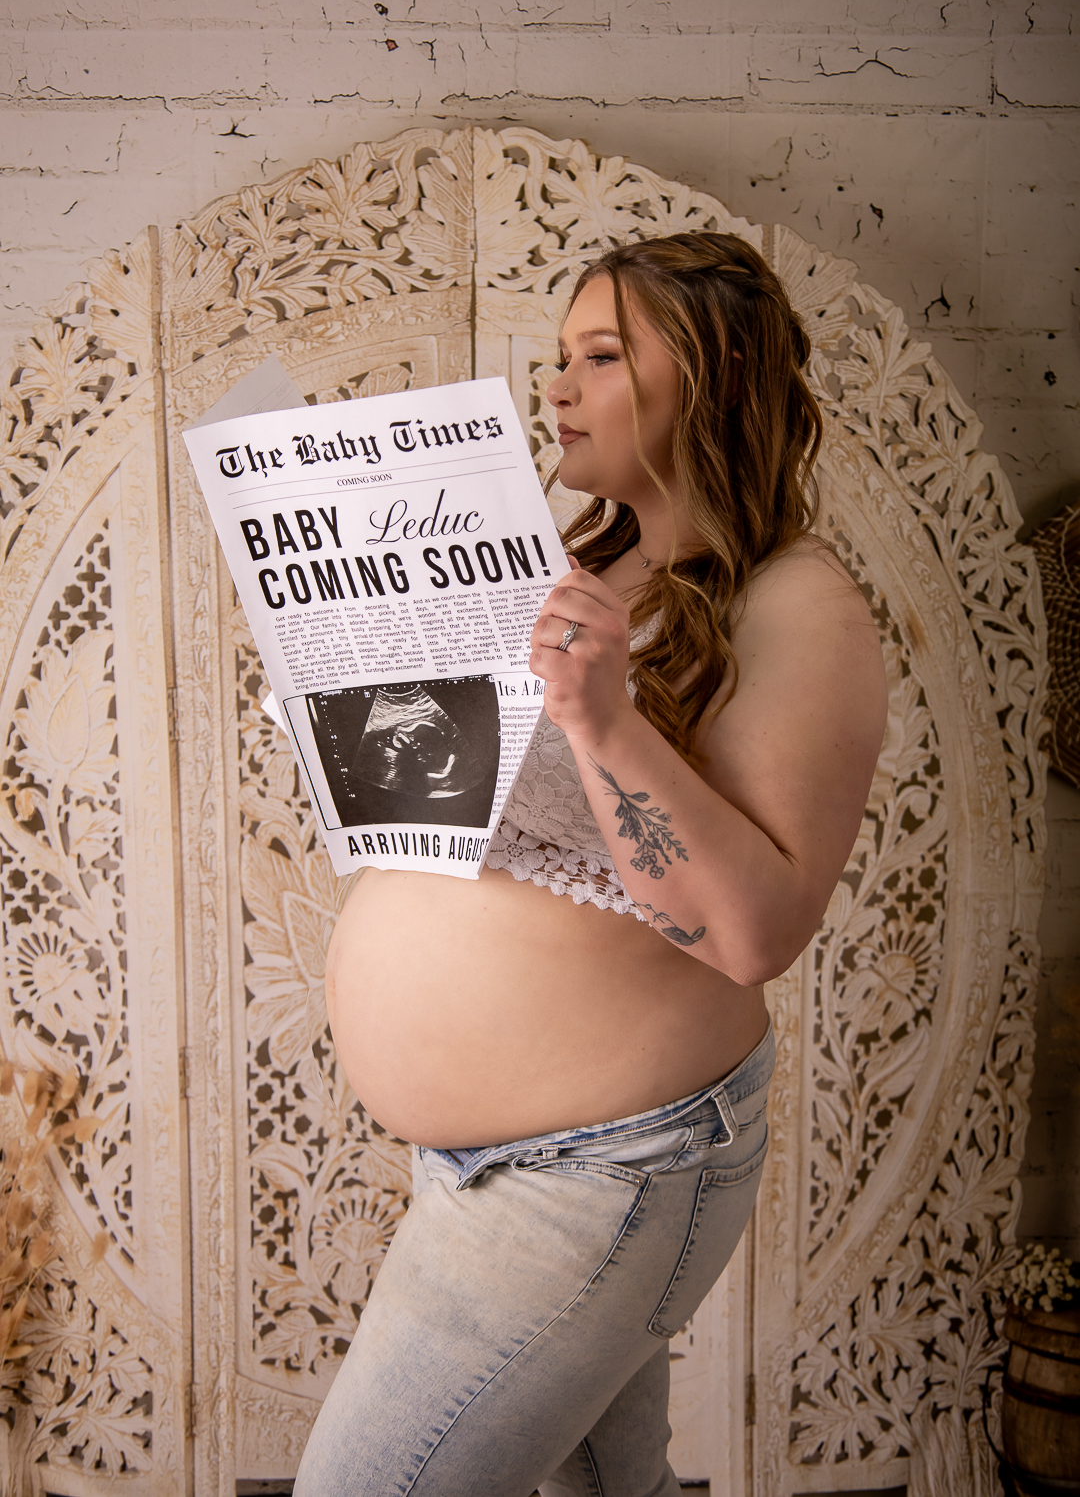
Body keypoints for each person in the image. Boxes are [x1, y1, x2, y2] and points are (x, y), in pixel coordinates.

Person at [293, 231, 888, 1496]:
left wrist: (606, 719)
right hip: (494, 1165)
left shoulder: (799, 607)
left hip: (602, 1172)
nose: (557, 386)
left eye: (602, 357)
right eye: (560, 358)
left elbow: (755, 933)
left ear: (719, 375)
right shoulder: (583, 563)